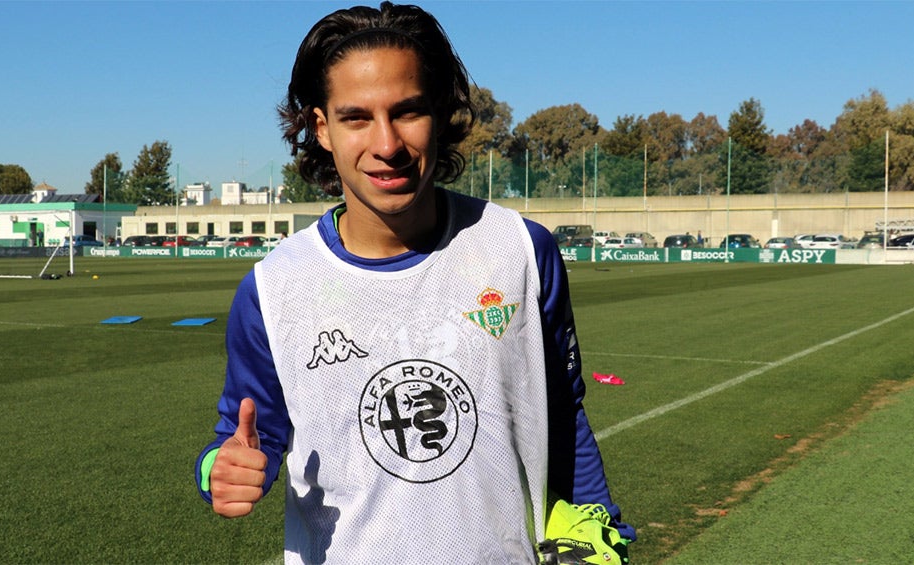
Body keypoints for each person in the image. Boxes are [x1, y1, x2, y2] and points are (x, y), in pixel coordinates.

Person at [195, 2, 634, 562]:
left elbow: (563, 414)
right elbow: (244, 433)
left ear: (441, 115)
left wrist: (596, 527)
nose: (387, 144)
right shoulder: (272, 289)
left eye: (408, 112)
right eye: (357, 117)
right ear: (321, 129)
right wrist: (219, 470)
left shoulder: (521, 249)